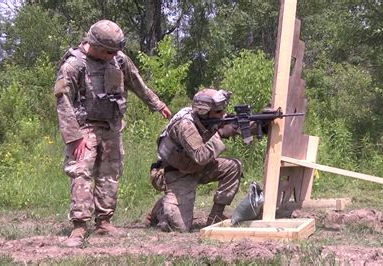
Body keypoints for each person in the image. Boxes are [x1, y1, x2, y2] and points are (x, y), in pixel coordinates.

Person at [54, 20, 172, 247]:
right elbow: (63, 100)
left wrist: (157, 104)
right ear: (94, 44)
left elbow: (138, 84)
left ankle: (104, 222)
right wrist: (74, 136)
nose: (112, 55)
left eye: (115, 51)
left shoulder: (119, 60)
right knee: (82, 172)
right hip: (84, 126)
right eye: (108, 51)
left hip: (112, 125)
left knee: (110, 174)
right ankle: (79, 226)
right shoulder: (74, 65)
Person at [146, 88, 243, 232]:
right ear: (205, 111)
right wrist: (221, 133)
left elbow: (236, 125)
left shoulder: (208, 118)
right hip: (175, 173)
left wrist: (260, 125)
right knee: (180, 228)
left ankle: (215, 217)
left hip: (196, 167)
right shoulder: (185, 125)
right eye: (218, 112)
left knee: (233, 166)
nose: (223, 115)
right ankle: (160, 210)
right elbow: (200, 156)